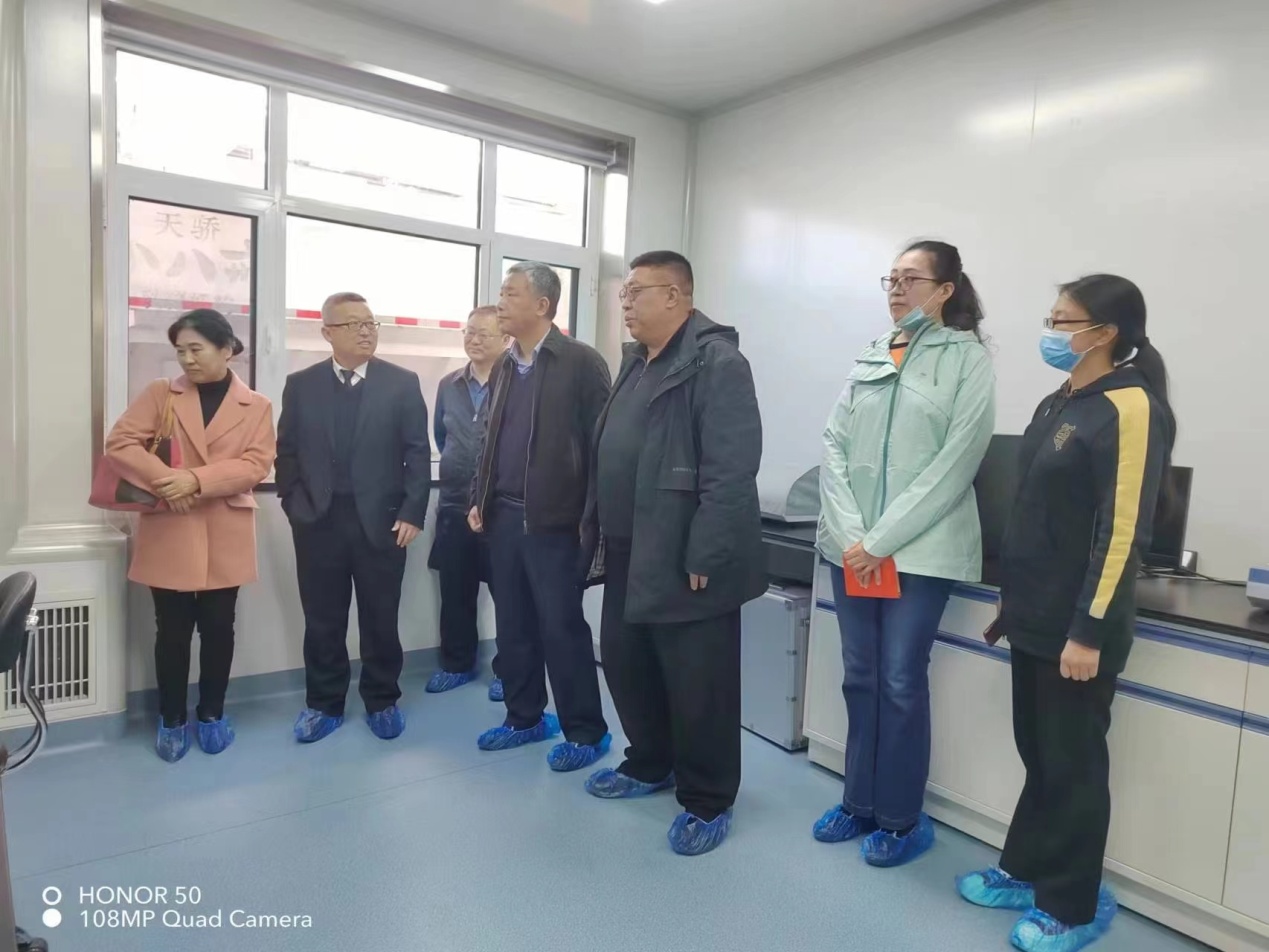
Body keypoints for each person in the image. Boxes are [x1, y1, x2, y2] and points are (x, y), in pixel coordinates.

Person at [957, 275, 1173, 952]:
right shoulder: (1060, 400)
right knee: (1041, 755)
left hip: (1079, 629)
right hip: (1033, 615)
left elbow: (1122, 532)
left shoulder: (1131, 407)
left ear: (1104, 333)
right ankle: (1024, 869)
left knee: (1073, 765)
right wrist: (1010, 600)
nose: (1049, 332)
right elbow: (1032, 512)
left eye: (1062, 321)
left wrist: (1088, 630)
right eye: (1050, 319)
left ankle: (1072, 905)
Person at [814, 239, 996, 866]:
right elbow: (833, 444)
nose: (896, 289)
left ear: (945, 290)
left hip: (918, 553)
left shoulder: (967, 360)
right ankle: (857, 802)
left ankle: (900, 819)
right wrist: (852, 536)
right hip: (852, 548)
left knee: (898, 679)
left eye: (911, 279)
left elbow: (957, 462)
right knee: (859, 676)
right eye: (890, 278)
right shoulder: (874, 352)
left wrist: (880, 541)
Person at [580, 251, 765, 856]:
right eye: (624, 293)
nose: (625, 302)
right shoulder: (636, 361)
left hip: (686, 555)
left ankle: (708, 798)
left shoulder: (718, 363)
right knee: (628, 664)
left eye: (636, 291)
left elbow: (731, 470)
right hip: (629, 548)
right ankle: (650, 761)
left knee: (698, 683)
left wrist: (706, 551)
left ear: (676, 296)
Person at [104, 309, 275, 762]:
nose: (187, 359)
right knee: (172, 631)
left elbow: (257, 464)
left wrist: (195, 481)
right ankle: (172, 718)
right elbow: (120, 443)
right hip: (170, 524)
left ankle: (212, 713)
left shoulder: (257, 405)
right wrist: (169, 483)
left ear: (227, 349)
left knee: (219, 629)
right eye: (180, 351)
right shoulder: (161, 393)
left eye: (196, 349)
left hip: (224, 526)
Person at [467, 261, 611, 771]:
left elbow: (602, 448)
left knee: (561, 628)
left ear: (543, 305)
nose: (501, 302)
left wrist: (591, 522)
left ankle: (586, 732)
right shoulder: (506, 365)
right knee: (513, 626)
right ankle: (524, 717)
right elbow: (489, 439)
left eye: (511, 294)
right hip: (504, 518)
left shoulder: (580, 362)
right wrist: (479, 497)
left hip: (556, 524)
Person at [276, 292, 431, 744]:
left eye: (370, 323)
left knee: (380, 617)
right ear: (327, 332)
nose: (365, 331)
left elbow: (417, 453)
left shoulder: (401, 383)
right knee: (322, 619)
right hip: (318, 523)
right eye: (353, 324)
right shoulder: (301, 384)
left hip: (383, 522)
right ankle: (324, 704)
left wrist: (413, 511)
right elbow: (286, 452)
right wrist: (293, 505)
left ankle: (382, 700)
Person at [427, 306, 507, 699]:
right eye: (469, 332)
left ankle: (510, 670)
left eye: (483, 334)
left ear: (505, 339)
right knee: (455, 590)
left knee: (509, 595)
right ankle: (457, 664)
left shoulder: (517, 383)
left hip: (501, 508)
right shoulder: (449, 384)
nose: (473, 340)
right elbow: (443, 439)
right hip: (455, 503)